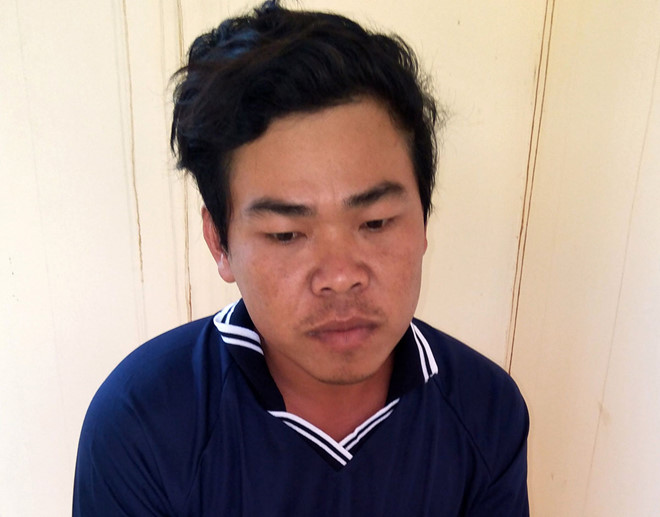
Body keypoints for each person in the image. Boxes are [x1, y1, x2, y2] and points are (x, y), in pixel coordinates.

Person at [73, 1, 529, 515]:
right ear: (219, 243)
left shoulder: (486, 411)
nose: (340, 276)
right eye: (286, 234)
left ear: (423, 220)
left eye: (376, 222)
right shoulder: (142, 423)